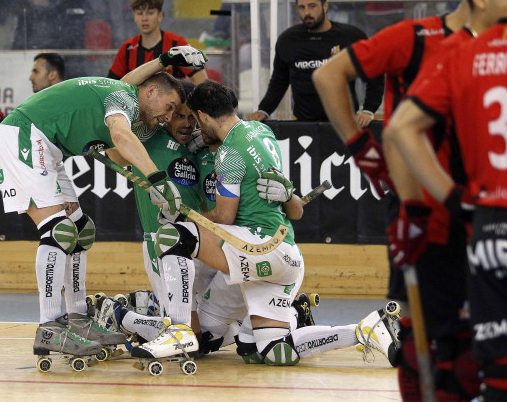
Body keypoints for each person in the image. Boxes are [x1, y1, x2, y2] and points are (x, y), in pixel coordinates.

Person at [312, 0, 506, 401]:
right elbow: (328, 76)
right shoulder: (416, 38)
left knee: (479, 338)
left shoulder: (503, 47)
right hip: (421, 207)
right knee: (424, 340)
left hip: (482, 208)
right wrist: (361, 145)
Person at [130, 80, 400, 369]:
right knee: (272, 350)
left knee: (173, 237)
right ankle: (365, 330)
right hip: (286, 255)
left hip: (257, 247)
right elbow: (294, 212)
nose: (193, 127)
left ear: (204, 117)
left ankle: (177, 331)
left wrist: (181, 217)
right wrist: (289, 195)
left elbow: (224, 219)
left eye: (195, 119)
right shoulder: (262, 131)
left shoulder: (229, 155)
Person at [385, 0, 507, 400]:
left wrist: (452, 197)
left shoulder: (464, 51)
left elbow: (400, 129)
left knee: (500, 374)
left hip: (487, 232)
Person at [0, 46, 207, 360]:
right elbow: (121, 137)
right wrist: (158, 180)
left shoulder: (127, 93)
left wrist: (164, 61)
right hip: (24, 135)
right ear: (150, 92)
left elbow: (133, 93)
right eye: (170, 106)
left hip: (47, 145)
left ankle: (78, 318)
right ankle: (49, 325)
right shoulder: (123, 99)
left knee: (80, 229)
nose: (170, 117)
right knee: (59, 230)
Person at [247, 0, 383, 125]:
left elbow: (375, 73)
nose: (307, 13)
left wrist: (369, 109)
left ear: (325, 5)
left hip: (344, 125)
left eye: (312, 6)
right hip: (303, 126)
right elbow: (279, 80)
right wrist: (264, 110)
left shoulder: (350, 37)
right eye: (302, 7)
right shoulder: (288, 40)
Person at [108, 0, 208, 85]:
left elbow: (202, 81)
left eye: (150, 13)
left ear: (160, 15)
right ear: (134, 16)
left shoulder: (177, 43)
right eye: (139, 13)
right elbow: (112, 85)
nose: (144, 18)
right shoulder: (127, 48)